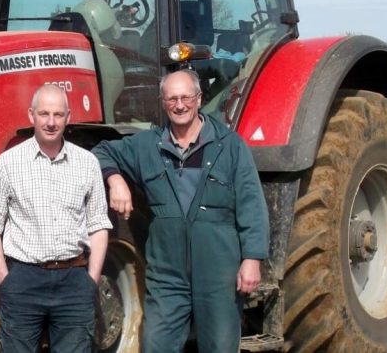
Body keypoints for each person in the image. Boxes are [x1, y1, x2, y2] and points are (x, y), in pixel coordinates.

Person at [91, 69, 269, 352]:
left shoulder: (230, 146)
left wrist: (252, 258)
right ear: (163, 102)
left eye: (186, 97)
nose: (180, 104)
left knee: (220, 346)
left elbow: (252, 204)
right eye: (172, 98)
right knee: (156, 345)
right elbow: (101, 151)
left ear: (199, 99)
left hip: (218, 271)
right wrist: (115, 180)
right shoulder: (147, 145)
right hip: (167, 274)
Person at [0, 84, 113, 352]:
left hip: (74, 279)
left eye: (58, 115)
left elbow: (98, 224)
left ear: (68, 117)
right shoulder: (8, 163)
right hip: (23, 280)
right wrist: (6, 279)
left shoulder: (87, 163)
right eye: (44, 114)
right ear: (31, 115)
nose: (51, 122)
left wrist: (91, 280)